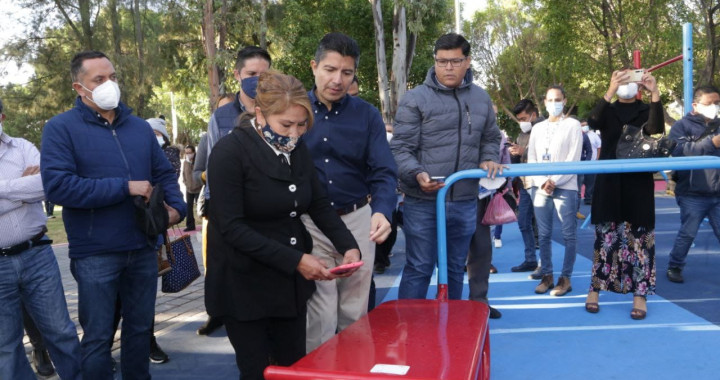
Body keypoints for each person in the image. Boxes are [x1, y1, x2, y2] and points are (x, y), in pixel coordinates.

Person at [205, 70, 361, 380]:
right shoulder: (229, 153)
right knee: (257, 371)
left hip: (287, 287)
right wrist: (297, 260)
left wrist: (348, 246)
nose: (294, 133)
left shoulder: (297, 149)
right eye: (286, 124)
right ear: (259, 114)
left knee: (292, 367)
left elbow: (317, 202)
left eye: (302, 125)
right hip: (244, 284)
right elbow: (232, 228)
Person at [41, 50, 186, 378]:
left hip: (142, 247)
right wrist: (124, 186)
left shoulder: (137, 127)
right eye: (100, 79)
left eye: (113, 77)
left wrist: (176, 207)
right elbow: (59, 188)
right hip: (96, 253)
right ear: (79, 88)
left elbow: (163, 173)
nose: (110, 85)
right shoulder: (60, 128)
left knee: (139, 332)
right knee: (98, 339)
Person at [302, 32, 398, 352]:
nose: (337, 79)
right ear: (314, 66)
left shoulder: (367, 116)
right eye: (330, 69)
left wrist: (382, 211)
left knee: (355, 312)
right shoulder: (295, 112)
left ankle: (353, 370)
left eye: (346, 72)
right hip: (310, 223)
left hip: (358, 219)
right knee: (319, 312)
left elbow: (384, 171)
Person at [392, 33, 503, 302]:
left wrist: (488, 157)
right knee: (419, 267)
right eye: (442, 61)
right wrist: (417, 173)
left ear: (467, 61)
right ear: (435, 61)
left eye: (455, 61)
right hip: (423, 199)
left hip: (464, 199)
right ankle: (410, 330)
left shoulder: (480, 98)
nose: (448, 67)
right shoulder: (415, 99)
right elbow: (400, 148)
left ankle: (452, 329)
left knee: (455, 268)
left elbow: (491, 136)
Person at [0, 97, 82, 380]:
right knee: (6, 348)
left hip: (37, 255)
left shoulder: (22, 147)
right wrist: (20, 191)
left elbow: (46, 185)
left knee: (61, 332)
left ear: (2, 117)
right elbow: (30, 190)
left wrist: (4, 189)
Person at [197, 46, 271, 337]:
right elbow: (214, 166)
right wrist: (215, 210)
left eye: (264, 75)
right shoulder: (222, 117)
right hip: (230, 213)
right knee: (233, 280)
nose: (257, 80)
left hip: (268, 211)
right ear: (238, 75)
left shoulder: (281, 110)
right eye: (252, 74)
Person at [584, 69, 663, 320]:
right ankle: (595, 289)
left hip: (638, 182)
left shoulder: (644, 109)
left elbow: (656, 128)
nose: (626, 83)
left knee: (640, 238)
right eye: (621, 78)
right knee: (605, 238)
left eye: (631, 78)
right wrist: (609, 89)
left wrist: (655, 92)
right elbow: (593, 121)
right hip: (609, 180)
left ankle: (640, 294)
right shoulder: (608, 108)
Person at [527, 85, 582, 297]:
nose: (553, 103)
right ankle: (547, 275)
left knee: (569, 234)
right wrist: (543, 182)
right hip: (540, 187)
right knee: (544, 233)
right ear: (544, 102)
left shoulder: (573, 124)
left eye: (557, 99)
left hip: (566, 186)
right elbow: (532, 158)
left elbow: (573, 158)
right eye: (549, 100)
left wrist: (555, 180)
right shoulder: (537, 128)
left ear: (565, 100)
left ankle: (565, 277)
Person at [666, 85, 720, 283]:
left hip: (717, 193)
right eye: (709, 103)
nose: (714, 107)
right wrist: (711, 143)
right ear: (695, 105)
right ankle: (675, 265)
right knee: (687, 233)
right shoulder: (682, 126)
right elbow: (679, 151)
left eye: (717, 103)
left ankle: (675, 265)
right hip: (692, 193)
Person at [509, 99, 542, 278]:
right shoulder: (523, 133)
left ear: (533, 115)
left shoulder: (545, 128)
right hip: (524, 183)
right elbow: (519, 157)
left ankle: (545, 265)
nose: (522, 122)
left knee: (543, 226)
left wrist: (524, 152)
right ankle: (531, 259)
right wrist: (513, 153)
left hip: (541, 183)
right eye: (519, 119)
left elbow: (548, 153)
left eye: (523, 118)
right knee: (523, 222)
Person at [576, 121, 593, 219]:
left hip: (580, 166)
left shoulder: (584, 136)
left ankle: (576, 211)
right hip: (567, 166)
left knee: (578, 190)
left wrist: (585, 163)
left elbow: (589, 151)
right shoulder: (564, 136)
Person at [582, 120, 602, 205]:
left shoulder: (594, 135)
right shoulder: (579, 135)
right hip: (581, 163)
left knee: (590, 182)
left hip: (592, 163)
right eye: (582, 125)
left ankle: (588, 199)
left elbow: (599, 147)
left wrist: (597, 158)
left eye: (586, 124)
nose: (585, 126)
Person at [183, 144, 202, 231]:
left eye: (190, 153)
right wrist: (186, 183)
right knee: (189, 208)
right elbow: (184, 174)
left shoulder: (199, 161)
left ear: (194, 152)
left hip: (198, 188)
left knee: (201, 208)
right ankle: (190, 225)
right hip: (189, 188)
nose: (188, 154)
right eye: (186, 153)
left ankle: (206, 224)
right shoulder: (185, 162)